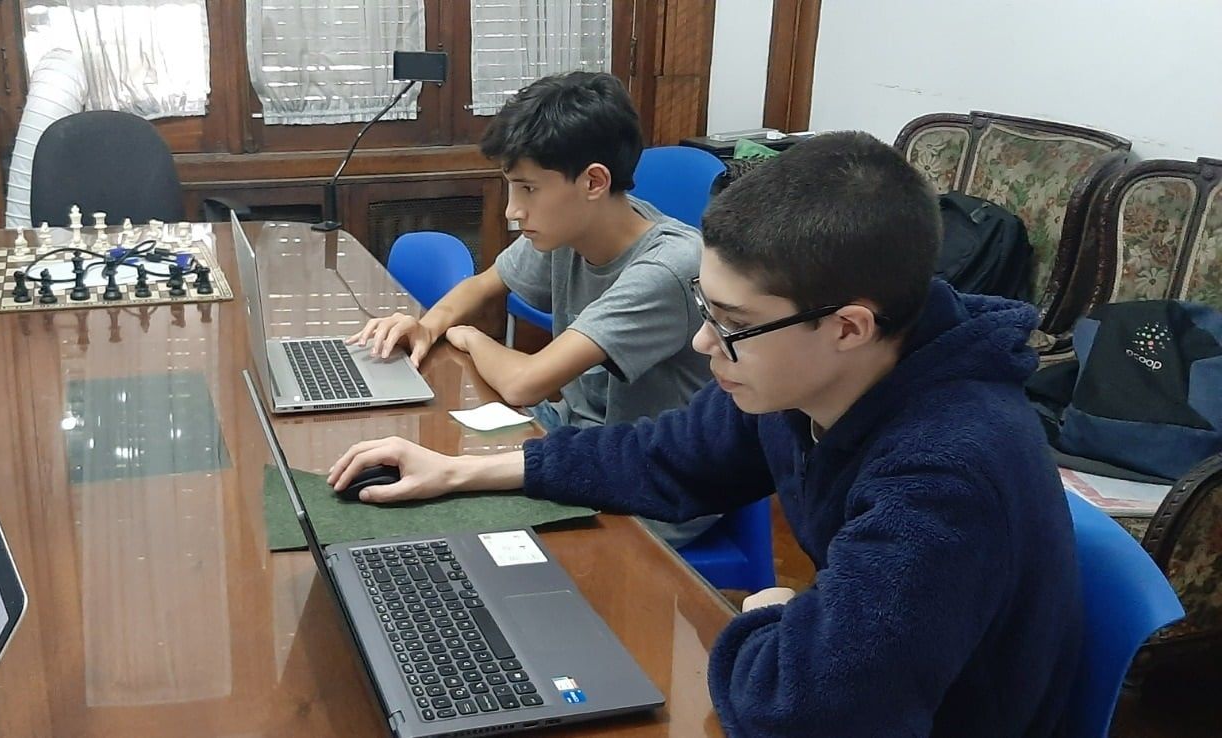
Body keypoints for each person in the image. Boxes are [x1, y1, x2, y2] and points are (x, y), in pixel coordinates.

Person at [329, 131, 1081, 735]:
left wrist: (770, 614)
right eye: (707, 310)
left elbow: (812, 712)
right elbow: (663, 458)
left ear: (849, 326)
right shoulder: (802, 377)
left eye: (735, 326)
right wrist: (458, 471)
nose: (702, 344)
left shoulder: (947, 474)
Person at [349, 71, 710, 431]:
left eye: (529, 189)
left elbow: (525, 382)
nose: (512, 211)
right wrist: (427, 328)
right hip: (574, 432)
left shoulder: (667, 267)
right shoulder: (572, 226)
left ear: (594, 182)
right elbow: (483, 285)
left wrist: (469, 336)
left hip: (640, 465)